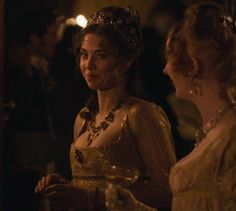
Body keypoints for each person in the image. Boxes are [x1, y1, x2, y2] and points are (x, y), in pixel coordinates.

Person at [34, 6, 176, 211]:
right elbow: (89, 185)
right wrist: (65, 187)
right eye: (84, 54)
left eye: (100, 55)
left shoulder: (141, 114)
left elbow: (168, 192)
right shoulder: (83, 118)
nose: (88, 65)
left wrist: (92, 198)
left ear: (125, 62)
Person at [105, 2, 236, 211]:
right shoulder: (212, 127)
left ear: (193, 66)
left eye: (170, 59)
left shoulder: (230, 139)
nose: (165, 70)